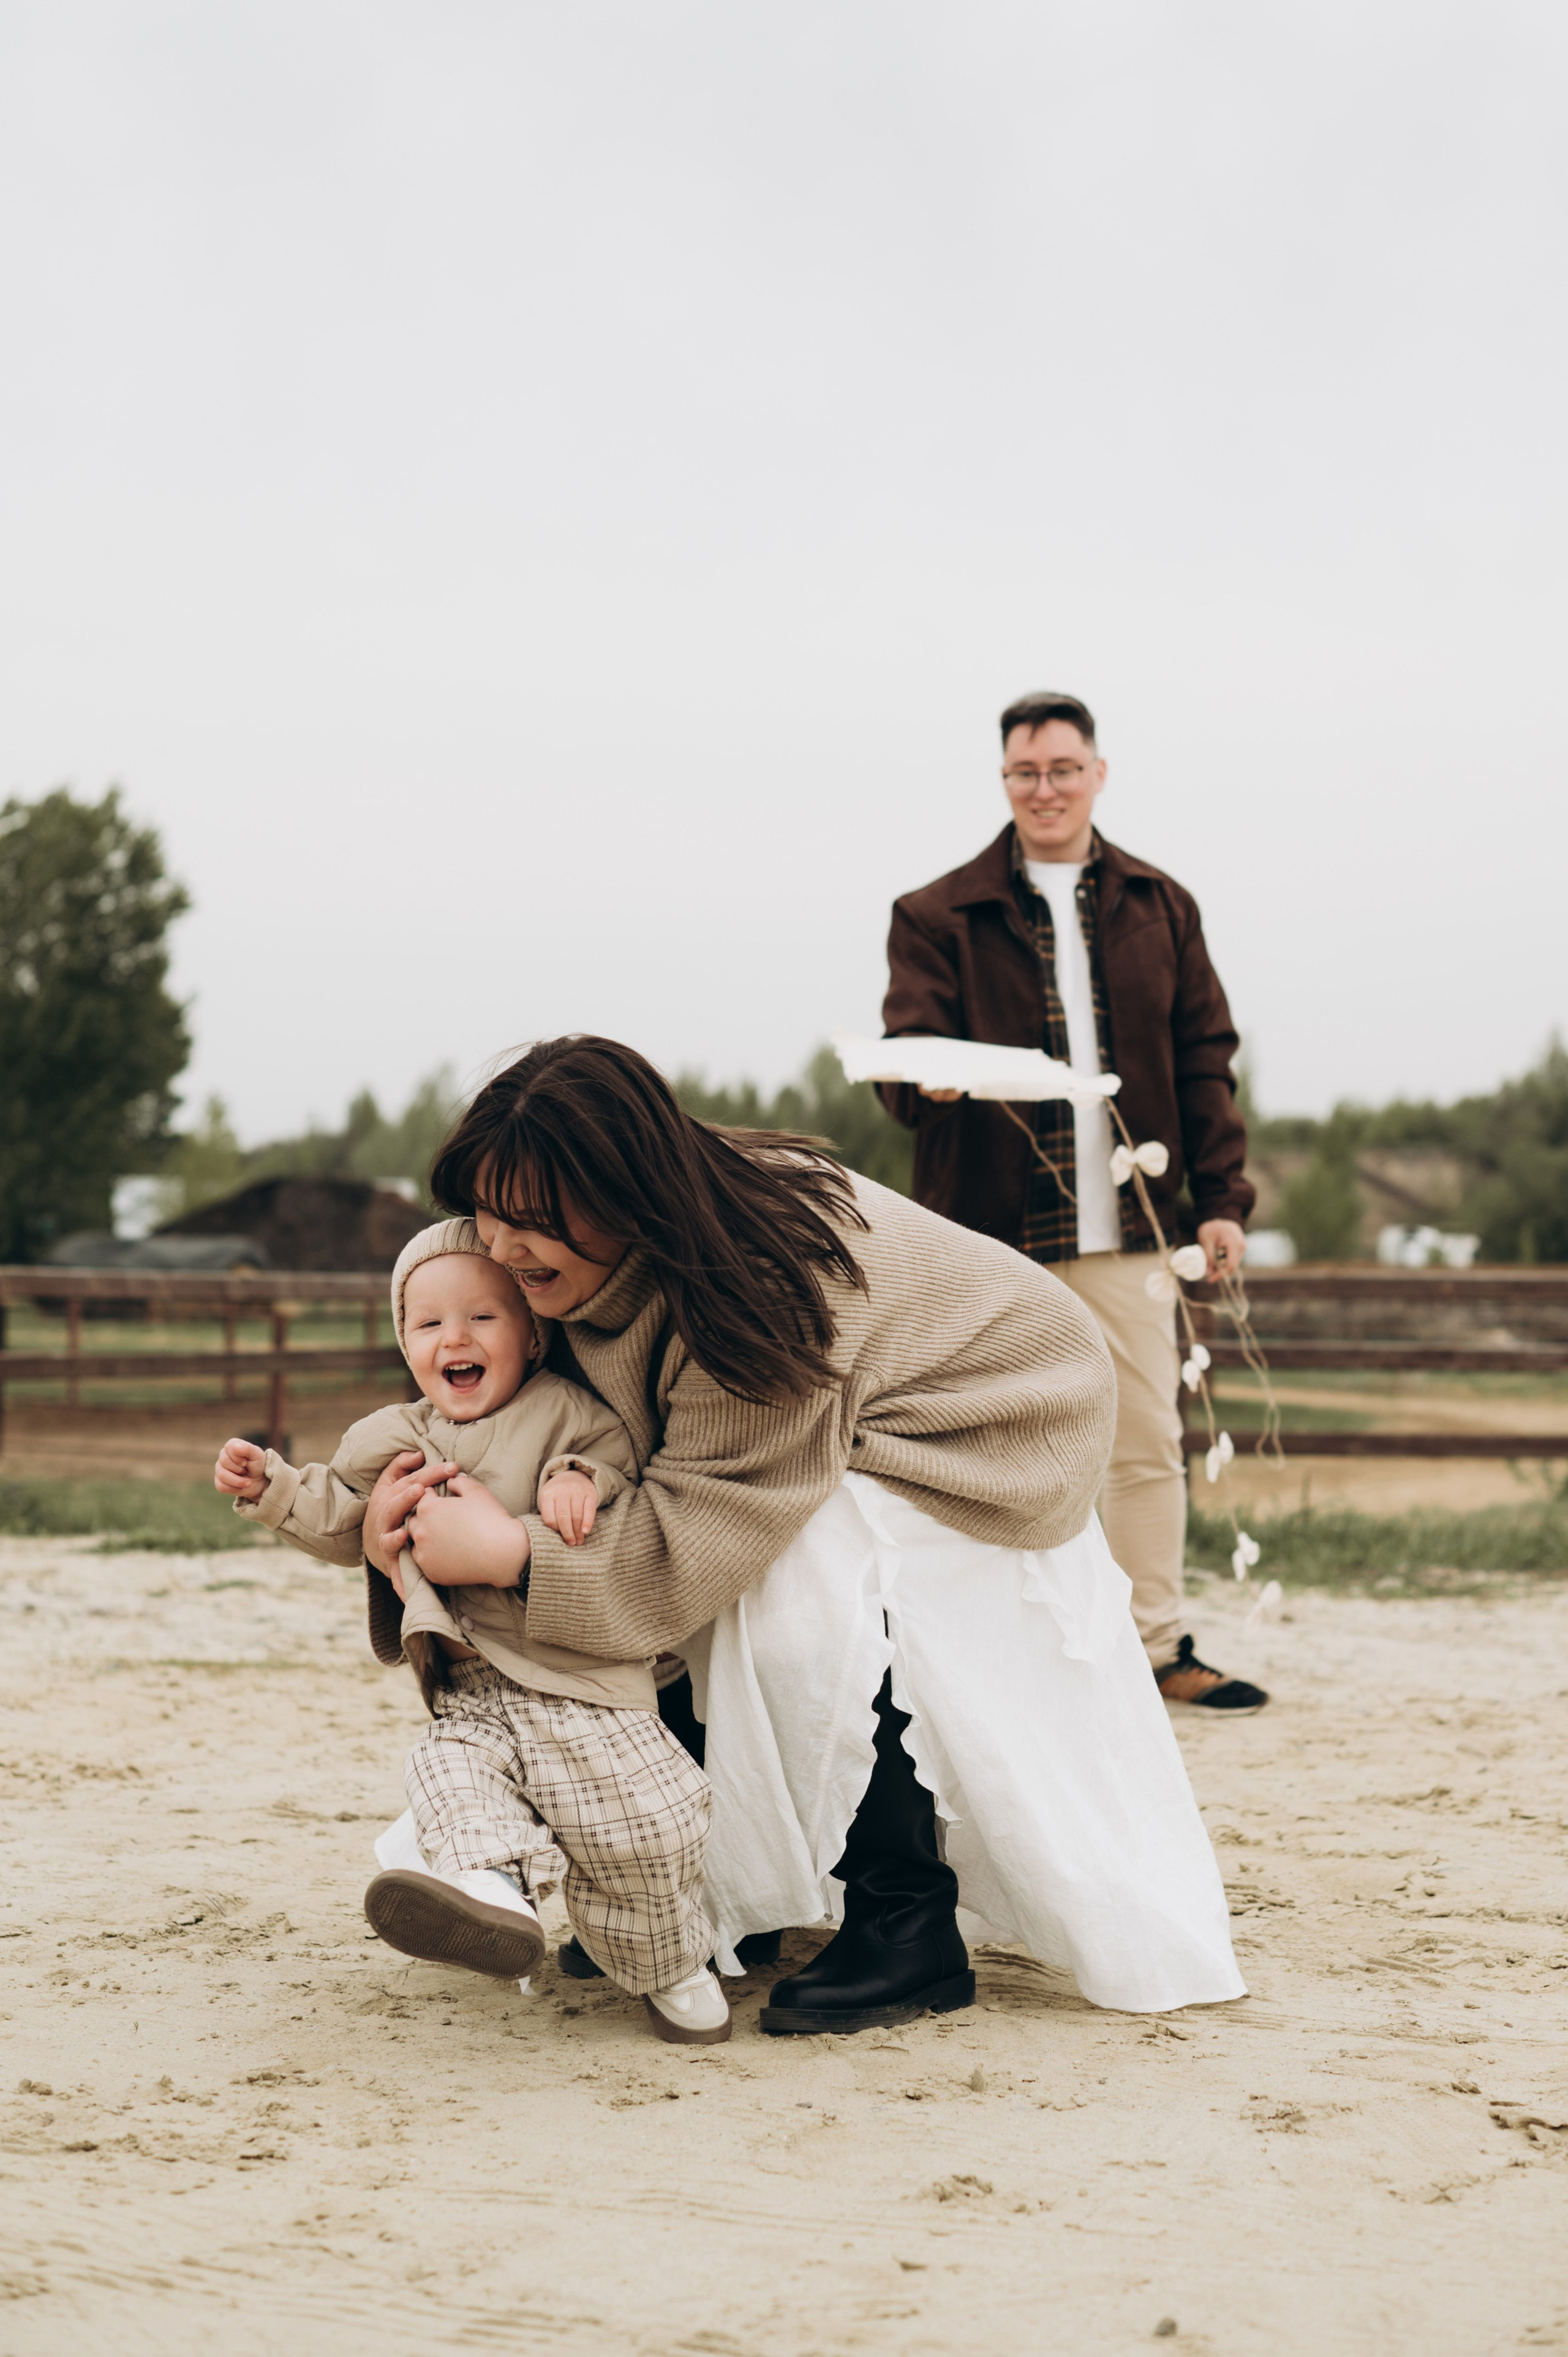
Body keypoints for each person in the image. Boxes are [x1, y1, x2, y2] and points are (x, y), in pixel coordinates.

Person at [358, 1036, 1245, 2035]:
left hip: (994, 1419)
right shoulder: (574, 1264)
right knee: (698, 1567)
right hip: (846, 1412)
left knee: (793, 1593)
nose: (503, 1249)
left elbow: (696, 1535)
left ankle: (907, 1923)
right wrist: (404, 1502)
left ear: (624, 1190)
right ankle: (694, 1901)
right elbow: (547, 1435)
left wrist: (518, 1556)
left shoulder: (758, 1285)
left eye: (534, 1220)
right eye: (488, 1212)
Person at [213, 1217, 731, 2045]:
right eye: (428, 1324)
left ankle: (670, 1963)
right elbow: (339, 1515)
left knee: (646, 1833)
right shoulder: (393, 1439)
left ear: (531, 1334)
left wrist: (579, 1483)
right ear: (407, 1344)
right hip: (470, 1691)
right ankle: (489, 1898)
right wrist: (274, 1488)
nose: (454, 1337)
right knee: (450, 1782)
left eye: (483, 1318)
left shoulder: (569, 1414)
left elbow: (618, 1469)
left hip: (585, 1688)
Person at [879, 687, 1267, 1713]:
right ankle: (988, 1657)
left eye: (1061, 769)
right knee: (983, 1446)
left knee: (1144, 1441)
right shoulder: (934, 914)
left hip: (1133, 1230)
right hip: (989, 1235)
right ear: (1004, 781)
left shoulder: (1161, 907)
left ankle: (1155, 1649)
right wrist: (925, 1075)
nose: (1043, 788)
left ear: (1098, 773)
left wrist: (1222, 1198)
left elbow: (1205, 1060)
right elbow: (902, 1058)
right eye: (1024, 772)